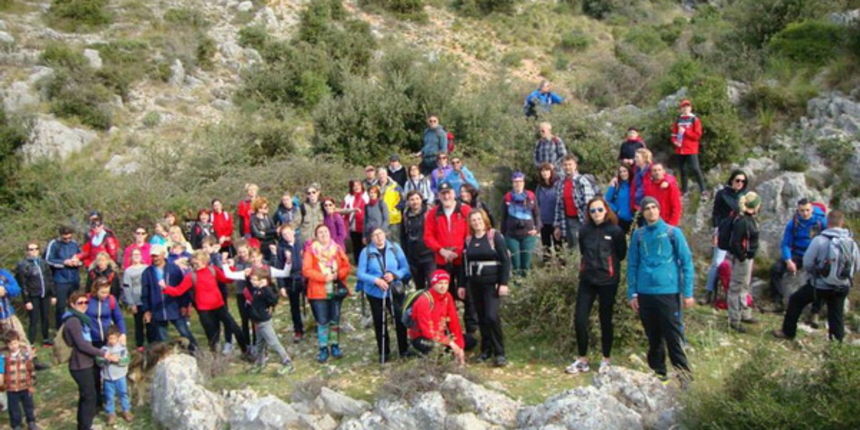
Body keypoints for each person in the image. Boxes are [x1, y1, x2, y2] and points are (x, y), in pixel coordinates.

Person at [627, 197, 694, 383]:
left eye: (654, 207)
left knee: (673, 336)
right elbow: (632, 264)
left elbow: (687, 262)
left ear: (659, 209)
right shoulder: (638, 235)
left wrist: (688, 292)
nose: (650, 211)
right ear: (642, 212)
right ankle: (659, 375)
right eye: (646, 208)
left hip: (668, 292)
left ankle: (684, 377)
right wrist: (632, 292)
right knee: (653, 337)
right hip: (645, 292)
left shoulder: (673, 233)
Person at [774, 210, 859, 342]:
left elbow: (807, 262)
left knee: (796, 300)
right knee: (836, 315)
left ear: (828, 222)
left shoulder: (819, 240)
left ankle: (788, 332)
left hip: (820, 285)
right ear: (842, 223)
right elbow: (856, 265)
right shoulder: (851, 242)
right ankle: (837, 345)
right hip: (842, 286)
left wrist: (816, 273)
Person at [566, 197, 627, 374]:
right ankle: (582, 359)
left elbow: (621, 254)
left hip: (608, 281)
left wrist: (608, 267)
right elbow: (583, 251)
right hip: (587, 280)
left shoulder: (615, 231)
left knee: (605, 320)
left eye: (600, 210)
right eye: (592, 211)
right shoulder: (584, 230)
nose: (596, 214)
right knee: (579, 318)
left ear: (606, 210)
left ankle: (606, 359)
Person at [163, 251, 250, 355]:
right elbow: (179, 291)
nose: (195, 265)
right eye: (193, 263)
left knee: (235, 328)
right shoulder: (191, 276)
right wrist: (165, 288)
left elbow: (228, 280)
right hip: (204, 310)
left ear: (204, 261)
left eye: (197, 263)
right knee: (212, 336)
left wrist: (230, 268)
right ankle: (215, 359)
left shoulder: (213, 270)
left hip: (219, 306)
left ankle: (245, 351)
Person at [424, 182, 477, 335]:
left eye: (449, 193)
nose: (446, 196)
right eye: (443, 193)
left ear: (454, 193)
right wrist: (441, 250)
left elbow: (471, 233)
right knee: (445, 295)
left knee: (467, 293)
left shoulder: (465, 210)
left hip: (462, 259)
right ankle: (449, 329)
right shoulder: (433, 213)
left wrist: (459, 251)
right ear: (438, 195)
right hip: (442, 260)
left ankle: (471, 329)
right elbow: (428, 236)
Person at [62, 291, 119, 430]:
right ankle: (85, 426)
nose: (84, 305)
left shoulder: (81, 319)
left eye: (86, 302)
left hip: (85, 362)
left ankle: (83, 425)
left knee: (86, 395)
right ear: (72, 304)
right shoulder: (73, 321)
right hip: (79, 364)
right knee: (89, 397)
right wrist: (103, 354)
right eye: (80, 303)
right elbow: (82, 344)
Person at [464, 210, 511, 366]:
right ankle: (486, 350)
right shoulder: (469, 240)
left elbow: (505, 260)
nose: (476, 222)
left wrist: (503, 283)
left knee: (491, 316)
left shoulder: (494, 236)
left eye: (479, 219)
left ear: (484, 220)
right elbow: (464, 265)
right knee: (482, 318)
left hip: (492, 283)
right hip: (474, 283)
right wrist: (462, 285)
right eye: (473, 220)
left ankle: (500, 352)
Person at [357, 228, 411, 363]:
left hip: (394, 289)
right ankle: (384, 352)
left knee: (399, 319)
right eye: (375, 235)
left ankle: (403, 349)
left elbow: (405, 267)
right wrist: (376, 280)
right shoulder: (366, 252)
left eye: (380, 234)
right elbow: (360, 273)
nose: (379, 237)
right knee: (379, 321)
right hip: (375, 292)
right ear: (371, 238)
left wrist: (394, 275)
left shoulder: (395, 248)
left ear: (385, 234)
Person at [302, 225, 352, 363]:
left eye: (325, 231)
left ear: (330, 233)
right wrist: (324, 277)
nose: (323, 234)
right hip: (318, 291)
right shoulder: (310, 251)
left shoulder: (336, 249)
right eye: (320, 232)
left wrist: (337, 275)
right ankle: (323, 347)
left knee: (334, 319)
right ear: (316, 236)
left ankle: (335, 345)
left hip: (335, 289)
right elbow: (306, 270)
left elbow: (346, 266)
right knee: (322, 320)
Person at [769, 198, 827, 309]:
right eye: (802, 210)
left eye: (807, 210)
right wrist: (788, 260)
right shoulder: (793, 224)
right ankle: (777, 301)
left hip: (816, 255)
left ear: (812, 209)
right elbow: (786, 244)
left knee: (822, 278)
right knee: (775, 269)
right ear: (797, 210)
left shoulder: (821, 221)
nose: (805, 213)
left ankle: (816, 310)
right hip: (799, 255)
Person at [701, 170, 749, 304]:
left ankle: (737, 296)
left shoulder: (745, 196)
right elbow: (716, 214)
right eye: (737, 180)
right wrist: (715, 232)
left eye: (743, 181)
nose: (740, 183)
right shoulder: (722, 194)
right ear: (732, 180)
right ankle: (708, 292)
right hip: (723, 231)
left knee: (739, 264)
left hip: (738, 233)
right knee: (717, 262)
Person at [140, 245, 198, 349]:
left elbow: (182, 289)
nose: (155, 258)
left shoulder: (174, 269)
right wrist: (146, 310)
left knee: (184, 331)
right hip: (157, 309)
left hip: (174, 306)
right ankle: (166, 357)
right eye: (152, 256)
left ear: (163, 255)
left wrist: (184, 305)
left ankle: (196, 352)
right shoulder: (147, 272)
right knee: (162, 337)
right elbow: (145, 293)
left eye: (157, 256)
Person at [407, 270, 465, 365]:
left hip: (440, 335)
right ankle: (418, 353)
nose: (443, 286)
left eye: (446, 283)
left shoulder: (447, 297)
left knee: (469, 341)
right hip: (422, 337)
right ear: (433, 284)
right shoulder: (424, 300)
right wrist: (450, 343)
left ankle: (450, 354)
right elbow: (427, 332)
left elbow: (454, 323)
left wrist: (460, 346)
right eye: (440, 283)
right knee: (435, 347)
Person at [246, 268, 294, 374]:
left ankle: (287, 362)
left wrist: (265, 287)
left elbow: (273, 299)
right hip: (257, 321)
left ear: (262, 280)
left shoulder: (265, 291)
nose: (252, 281)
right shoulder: (256, 290)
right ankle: (260, 363)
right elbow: (249, 287)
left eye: (254, 280)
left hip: (263, 321)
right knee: (259, 344)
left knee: (273, 342)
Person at [726, 192, 761, 333]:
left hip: (747, 257)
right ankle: (734, 319)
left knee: (744, 286)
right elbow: (735, 242)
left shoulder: (749, 218)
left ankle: (744, 313)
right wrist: (742, 257)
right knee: (736, 287)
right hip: (743, 259)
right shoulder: (743, 221)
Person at [15, 242, 56, 347]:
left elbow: (50, 279)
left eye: (35, 249)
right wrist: (27, 300)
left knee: (45, 317)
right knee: (34, 319)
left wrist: (53, 294)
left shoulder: (43, 263)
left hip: (45, 295)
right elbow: (23, 284)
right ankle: (31, 341)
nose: (33, 251)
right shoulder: (23, 265)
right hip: (33, 295)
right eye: (31, 249)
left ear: (39, 250)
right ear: (27, 251)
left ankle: (46, 339)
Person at [553, 155, 599, 248]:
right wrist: (557, 226)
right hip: (566, 220)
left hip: (581, 220)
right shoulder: (560, 183)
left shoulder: (582, 181)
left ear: (575, 165)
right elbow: (558, 206)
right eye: (565, 165)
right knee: (571, 246)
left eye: (570, 164)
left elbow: (589, 203)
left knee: (581, 246)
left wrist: (589, 222)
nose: (567, 167)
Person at [501, 172, 540, 276]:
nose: (518, 184)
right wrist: (503, 235)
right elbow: (503, 217)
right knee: (515, 263)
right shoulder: (507, 197)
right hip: (512, 235)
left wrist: (537, 229)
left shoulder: (531, 196)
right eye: (515, 182)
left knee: (526, 264)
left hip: (528, 234)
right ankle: (516, 286)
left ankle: (526, 287)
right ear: (512, 183)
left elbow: (536, 214)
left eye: (520, 182)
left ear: (523, 183)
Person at [45, 226, 83, 329]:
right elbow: (48, 259)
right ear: (60, 235)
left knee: (75, 305)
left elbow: (82, 256)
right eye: (65, 238)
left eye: (69, 238)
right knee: (61, 307)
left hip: (74, 279)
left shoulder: (74, 244)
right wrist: (63, 262)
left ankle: (76, 327)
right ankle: (60, 329)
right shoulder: (54, 244)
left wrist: (78, 262)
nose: (67, 240)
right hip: (60, 280)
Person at [0, 331, 39, 430]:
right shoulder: (3, 356)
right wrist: (2, 383)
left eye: (15, 343)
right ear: (7, 344)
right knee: (14, 409)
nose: (13, 346)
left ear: (18, 342)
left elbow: (30, 369)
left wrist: (32, 383)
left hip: (25, 385)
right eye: (10, 344)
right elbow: (1, 371)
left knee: (29, 406)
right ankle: (16, 424)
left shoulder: (24, 353)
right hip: (11, 388)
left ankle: (31, 422)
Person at [275, 225, 305, 342]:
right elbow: (279, 267)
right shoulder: (281, 248)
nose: (287, 236)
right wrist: (281, 286)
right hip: (291, 279)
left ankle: (319, 323)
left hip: (304, 276)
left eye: (288, 233)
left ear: (293, 232)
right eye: (284, 235)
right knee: (294, 307)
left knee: (314, 301)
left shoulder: (301, 243)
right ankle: (298, 330)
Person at [97, 326, 132, 424]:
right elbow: (98, 361)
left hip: (120, 377)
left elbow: (127, 360)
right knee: (109, 396)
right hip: (108, 378)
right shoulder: (103, 349)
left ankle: (126, 410)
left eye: (113, 338)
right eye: (109, 338)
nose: (111, 341)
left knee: (123, 393)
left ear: (118, 338)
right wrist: (105, 359)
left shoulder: (122, 349)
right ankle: (111, 413)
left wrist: (119, 360)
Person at [670, 99, 706, 197]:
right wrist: (675, 142)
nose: (685, 108)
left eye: (687, 106)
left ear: (690, 108)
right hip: (680, 149)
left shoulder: (695, 119)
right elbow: (673, 134)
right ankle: (684, 190)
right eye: (683, 107)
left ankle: (703, 189)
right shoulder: (678, 120)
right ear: (681, 109)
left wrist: (686, 131)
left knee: (695, 168)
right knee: (682, 170)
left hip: (691, 149)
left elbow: (697, 136)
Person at [402, 191, 435, 290]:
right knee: (419, 286)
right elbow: (403, 235)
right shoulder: (405, 215)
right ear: (408, 202)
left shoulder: (429, 213)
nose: (415, 202)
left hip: (429, 255)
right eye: (412, 199)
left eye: (417, 199)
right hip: (413, 256)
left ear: (421, 200)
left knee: (432, 283)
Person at [85, 278, 126, 351]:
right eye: (102, 292)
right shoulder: (87, 300)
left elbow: (119, 318)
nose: (105, 295)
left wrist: (123, 333)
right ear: (95, 291)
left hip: (107, 338)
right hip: (91, 338)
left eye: (107, 292)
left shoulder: (111, 300)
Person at [122, 249, 149, 351]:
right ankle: (140, 344)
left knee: (150, 323)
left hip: (147, 300)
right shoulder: (128, 271)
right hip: (136, 301)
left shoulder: (147, 268)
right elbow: (127, 288)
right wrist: (131, 303)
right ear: (131, 257)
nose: (136, 256)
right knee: (138, 324)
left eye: (138, 254)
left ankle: (152, 342)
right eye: (134, 254)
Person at [535, 163, 559, 259]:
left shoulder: (557, 185)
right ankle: (547, 268)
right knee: (546, 247)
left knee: (559, 247)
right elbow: (537, 205)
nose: (545, 173)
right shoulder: (539, 188)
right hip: (544, 222)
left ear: (551, 172)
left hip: (556, 222)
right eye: (542, 171)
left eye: (547, 170)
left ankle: (562, 269)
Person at [343, 180, 368, 263]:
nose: (356, 187)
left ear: (361, 186)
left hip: (364, 225)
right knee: (355, 244)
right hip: (353, 225)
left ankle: (365, 262)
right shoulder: (348, 197)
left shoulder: (366, 196)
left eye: (358, 185)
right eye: (354, 185)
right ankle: (357, 262)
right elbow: (344, 210)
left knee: (364, 245)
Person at [378, 168, 404, 244]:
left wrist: (396, 209)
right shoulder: (375, 187)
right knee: (383, 240)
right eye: (380, 174)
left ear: (387, 175)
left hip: (393, 218)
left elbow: (403, 199)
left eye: (383, 174)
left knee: (395, 240)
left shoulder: (395, 186)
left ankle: (398, 256)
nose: (381, 176)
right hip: (380, 218)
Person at [605, 165, 634, 233]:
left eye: (625, 171)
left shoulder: (634, 185)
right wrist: (616, 209)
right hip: (620, 219)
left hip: (633, 219)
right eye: (620, 172)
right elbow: (607, 200)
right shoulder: (617, 185)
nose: (623, 174)